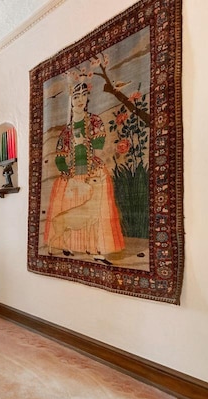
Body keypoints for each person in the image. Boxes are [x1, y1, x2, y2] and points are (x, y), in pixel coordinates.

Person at [43, 82, 125, 263]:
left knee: (97, 212)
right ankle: (69, 246)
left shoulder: (94, 121)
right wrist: (66, 172)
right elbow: (59, 158)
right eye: (76, 96)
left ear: (88, 98)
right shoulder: (66, 131)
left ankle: (97, 248)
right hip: (72, 177)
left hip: (92, 172)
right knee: (70, 214)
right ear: (71, 100)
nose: (80, 100)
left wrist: (82, 142)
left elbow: (99, 145)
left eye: (83, 95)